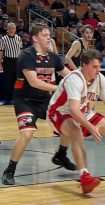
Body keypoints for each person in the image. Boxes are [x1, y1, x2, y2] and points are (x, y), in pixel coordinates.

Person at [47, 49, 105, 194]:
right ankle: (85, 177)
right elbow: (73, 109)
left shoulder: (100, 78)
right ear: (84, 65)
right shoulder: (74, 78)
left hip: (83, 111)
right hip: (60, 112)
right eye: (95, 67)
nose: (98, 70)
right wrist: (90, 127)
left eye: (100, 66)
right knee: (76, 132)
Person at [2, 23, 74, 185]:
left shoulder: (54, 57)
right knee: (27, 134)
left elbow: (69, 76)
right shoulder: (26, 56)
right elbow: (34, 82)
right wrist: (60, 88)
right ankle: (10, 170)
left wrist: (82, 82)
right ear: (35, 38)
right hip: (25, 101)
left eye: (49, 35)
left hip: (45, 100)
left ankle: (60, 155)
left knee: (70, 124)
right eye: (44, 35)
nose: (49, 38)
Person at [0, 22, 22, 105]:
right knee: (7, 81)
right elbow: (1, 52)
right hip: (7, 61)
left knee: (15, 80)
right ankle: (6, 99)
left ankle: (14, 99)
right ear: (7, 29)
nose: (11, 30)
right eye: (10, 28)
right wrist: (0, 64)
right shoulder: (3, 39)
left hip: (17, 61)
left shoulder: (18, 38)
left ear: (15, 29)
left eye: (13, 28)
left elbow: (20, 51)